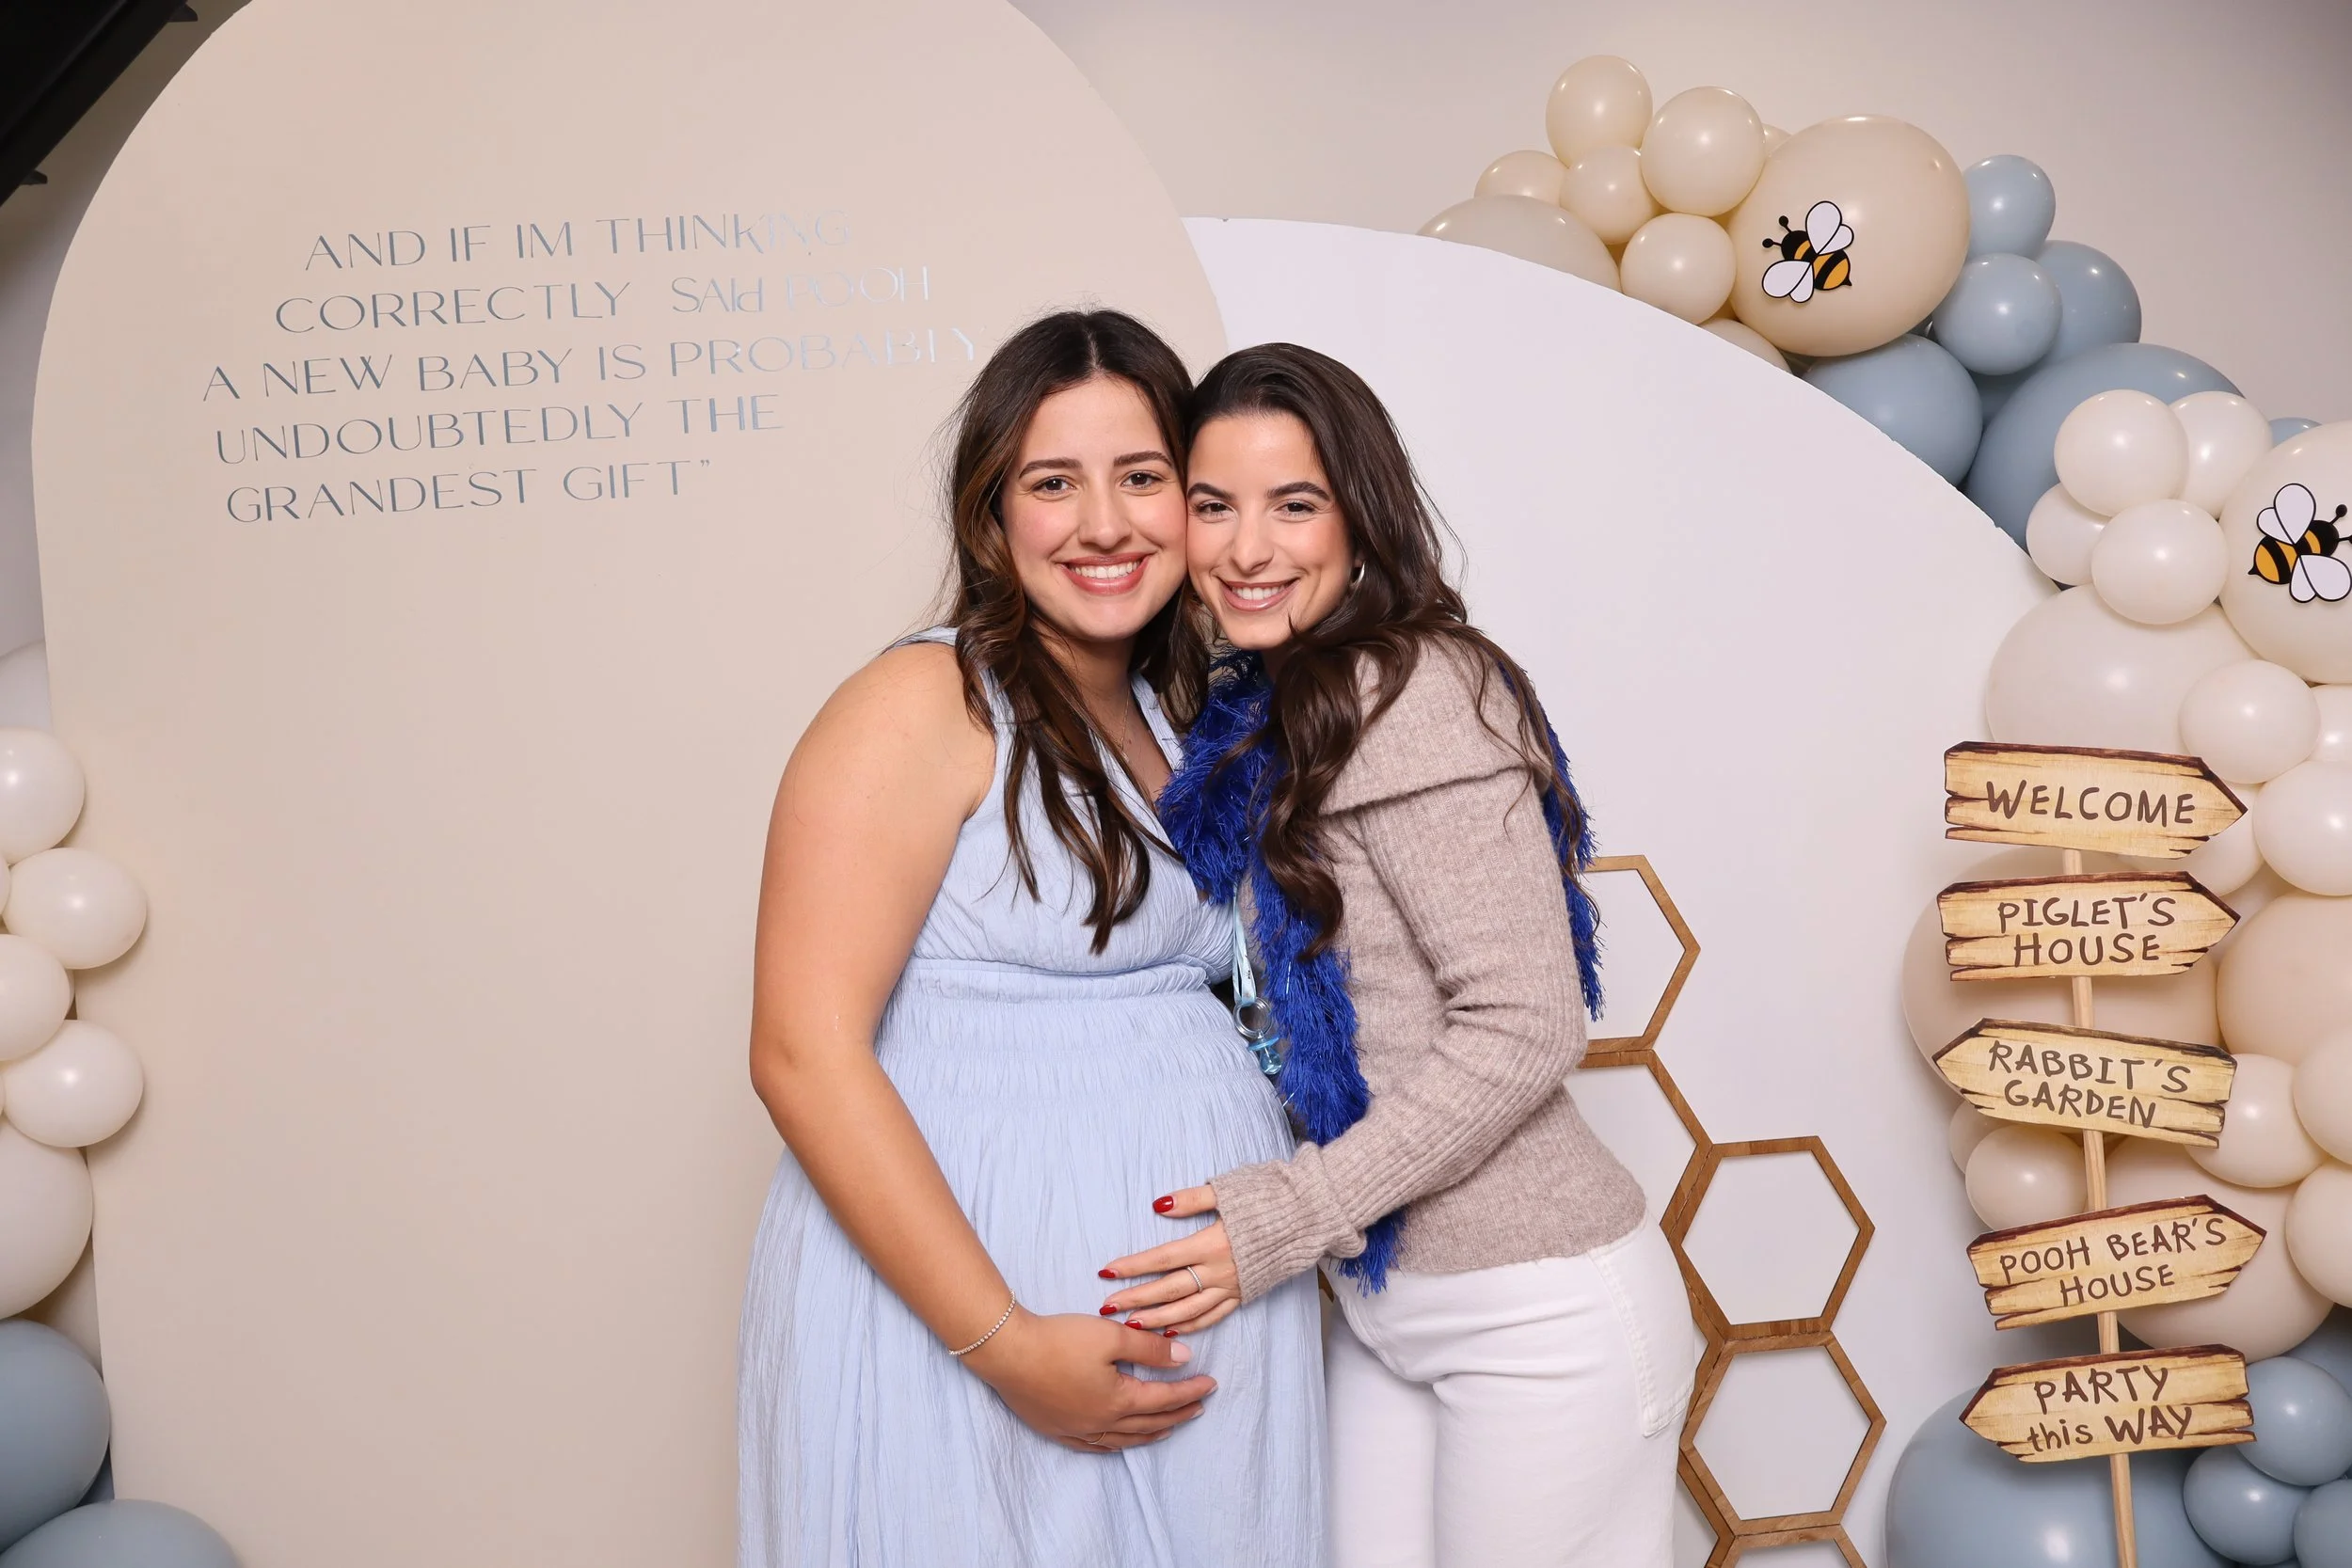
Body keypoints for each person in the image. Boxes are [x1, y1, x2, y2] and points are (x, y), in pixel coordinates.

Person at [739, 312, 1324, 1568]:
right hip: (975, 1326)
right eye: (1053, 482)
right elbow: (801, 1052)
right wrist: (1005, 1342)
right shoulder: (920, 702)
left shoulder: (1194, 718)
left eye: (1143, 477)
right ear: (993, 515)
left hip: (1195, 1336)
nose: (1103, 523)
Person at [1098, 342, 1696, 1567]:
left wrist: (1292, 1212)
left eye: (1294, 503)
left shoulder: (1413, 690)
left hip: (1538, 1308)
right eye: (1213, 505)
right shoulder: (1264, 713)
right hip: (1387, 1302)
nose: (1248, 547)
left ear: (1360, 516)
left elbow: (1525, 1023)